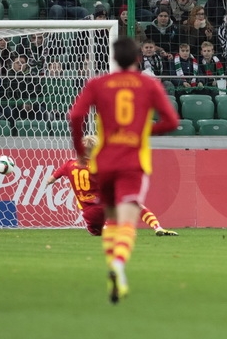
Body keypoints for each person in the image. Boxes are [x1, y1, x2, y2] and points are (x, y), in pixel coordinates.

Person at [69, 36, 179, 303]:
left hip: (104, 163)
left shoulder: (97, 84)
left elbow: (75, 116)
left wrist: (80, 151)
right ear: (138, 59)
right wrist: (141, 132)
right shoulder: (148, 84)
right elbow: (172, 121)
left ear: (114, 59)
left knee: (111, 220)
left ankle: (113, 268)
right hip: (132, 163)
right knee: (127, 220)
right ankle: (119, 264)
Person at [47, 135, 179, 236]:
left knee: (96, 231)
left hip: (88, 215)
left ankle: (109, 228)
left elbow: (50, 180)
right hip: (104, 207)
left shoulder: (68, 164)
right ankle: (157, 227)